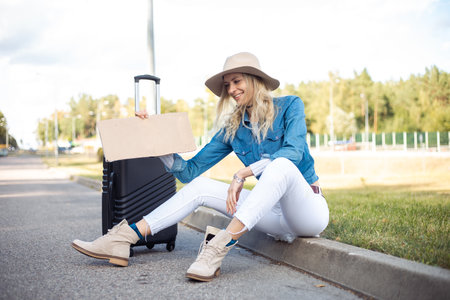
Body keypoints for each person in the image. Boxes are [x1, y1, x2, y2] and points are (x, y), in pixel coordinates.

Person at [72, 52, 329, 282]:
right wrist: (156, 137)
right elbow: (190, 171)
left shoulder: (290, 106)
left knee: (281, 164)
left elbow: (293, 153)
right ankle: (123, 238)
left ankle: (217, 248)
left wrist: (244, 173)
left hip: (307, 213)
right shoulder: (233, 128)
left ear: (253, 79)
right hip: (269, 215)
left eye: (237, 81)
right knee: (200, 186)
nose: (231, 89)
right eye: (227, 85)